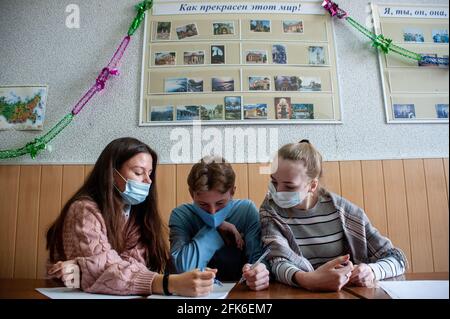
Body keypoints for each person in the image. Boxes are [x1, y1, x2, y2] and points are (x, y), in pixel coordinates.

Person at [46, 137, 216, 296]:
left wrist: (86, 269)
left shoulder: (134, 212)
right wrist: (168, 284)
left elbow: (134, 262)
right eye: (138, 172)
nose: (148, 181)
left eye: (150, 173)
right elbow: (105, 269)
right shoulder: (83, 210)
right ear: (112, 174)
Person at [260, 140, 408, 292]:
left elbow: (397, 259)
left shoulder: (346, 213)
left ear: (312, 185)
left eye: (289, 186)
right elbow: (277, 261)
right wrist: (308, 280)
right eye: (274, 182)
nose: (277, 191)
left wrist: (371, 271)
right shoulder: (270, 210)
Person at [169, 156, 270, 291]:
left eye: (220, 203)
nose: (212, 212)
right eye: (203, 205)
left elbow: (257, 260)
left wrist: (259, 273)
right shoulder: (181, 215)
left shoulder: (246, 211)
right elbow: (181, 270)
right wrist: (216, 228)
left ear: (232, 192)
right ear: (192, 195)